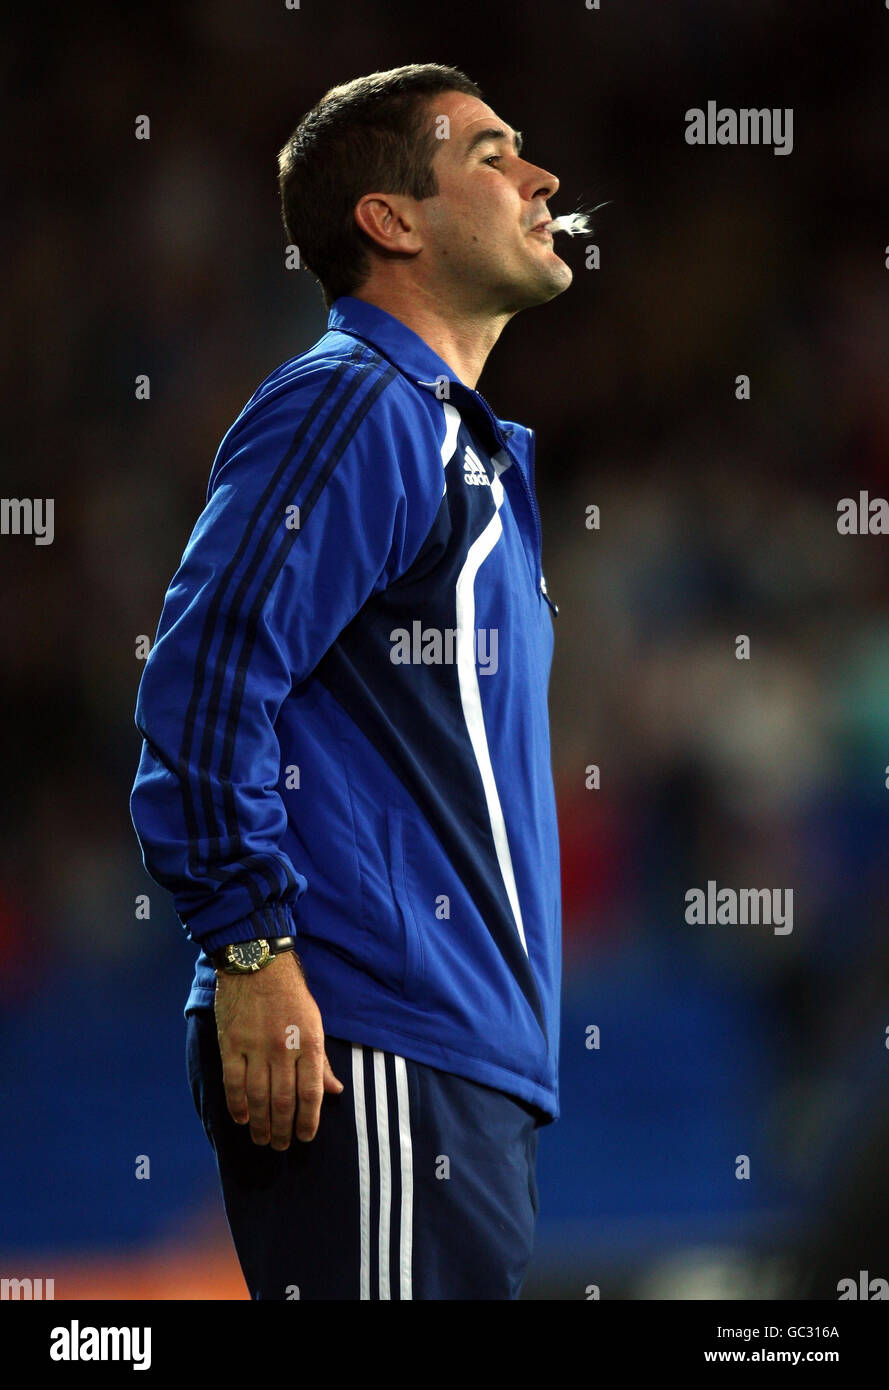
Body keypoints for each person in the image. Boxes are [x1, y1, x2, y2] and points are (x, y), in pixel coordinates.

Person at [130, 61, 571, 1300]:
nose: (541, 179)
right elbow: (208, 676)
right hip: (368, 1031)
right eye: (490, 155)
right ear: (391, 220)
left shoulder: (455, 445)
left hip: (461, 1058)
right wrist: (254, 945)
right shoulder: (356, 402)